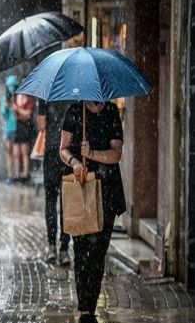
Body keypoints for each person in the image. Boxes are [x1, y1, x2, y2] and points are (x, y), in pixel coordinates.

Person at [60, 101, 126, 323]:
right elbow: (63, 149)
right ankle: (85, 309)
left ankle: (91, 301)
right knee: (81, 251)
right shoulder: (74, 111)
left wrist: (93, 153)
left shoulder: (111, 112)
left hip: (107, 191)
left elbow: (116, 154)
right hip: (81, 191)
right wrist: (76, 162)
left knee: (98, 252)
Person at [37, 100, 71, 265]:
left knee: (50, 200)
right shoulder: (75, 91)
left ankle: (51, 247)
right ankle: (64, 249)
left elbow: (42, 125)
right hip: (68, 154)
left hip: (51, 152)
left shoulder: (46, 93)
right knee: (67, 203)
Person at [13, 92, 35, 183]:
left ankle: (26, 174)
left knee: (25, 151)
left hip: (26, 126)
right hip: (19, 125)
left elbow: (28, 114)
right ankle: (17, 174)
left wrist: (18, 109)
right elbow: (16, 113)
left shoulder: (29, 99)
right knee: (17, 152)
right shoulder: (17, 97)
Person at [0, 75, 18, 184]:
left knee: (16, 153)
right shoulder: (4, 99)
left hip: (16, 128)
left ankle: (16, 174)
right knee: (9, 152)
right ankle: (10, 174)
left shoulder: (18, 99)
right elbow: (3, 114)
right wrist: (6, 107)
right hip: (8, 129)